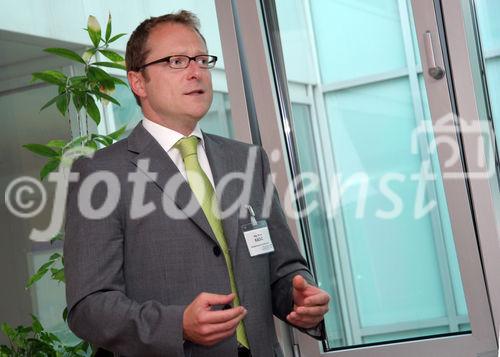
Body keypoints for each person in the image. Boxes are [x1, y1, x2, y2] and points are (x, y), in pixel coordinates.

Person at [64, 10, 330, 357]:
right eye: (176, 61)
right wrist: (177, 326)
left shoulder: (247, 161)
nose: (195, 72)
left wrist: (300, 296)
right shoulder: (100, 173)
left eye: (202, 60)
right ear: (138, 82)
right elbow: (89, 308)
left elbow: (283, 268)